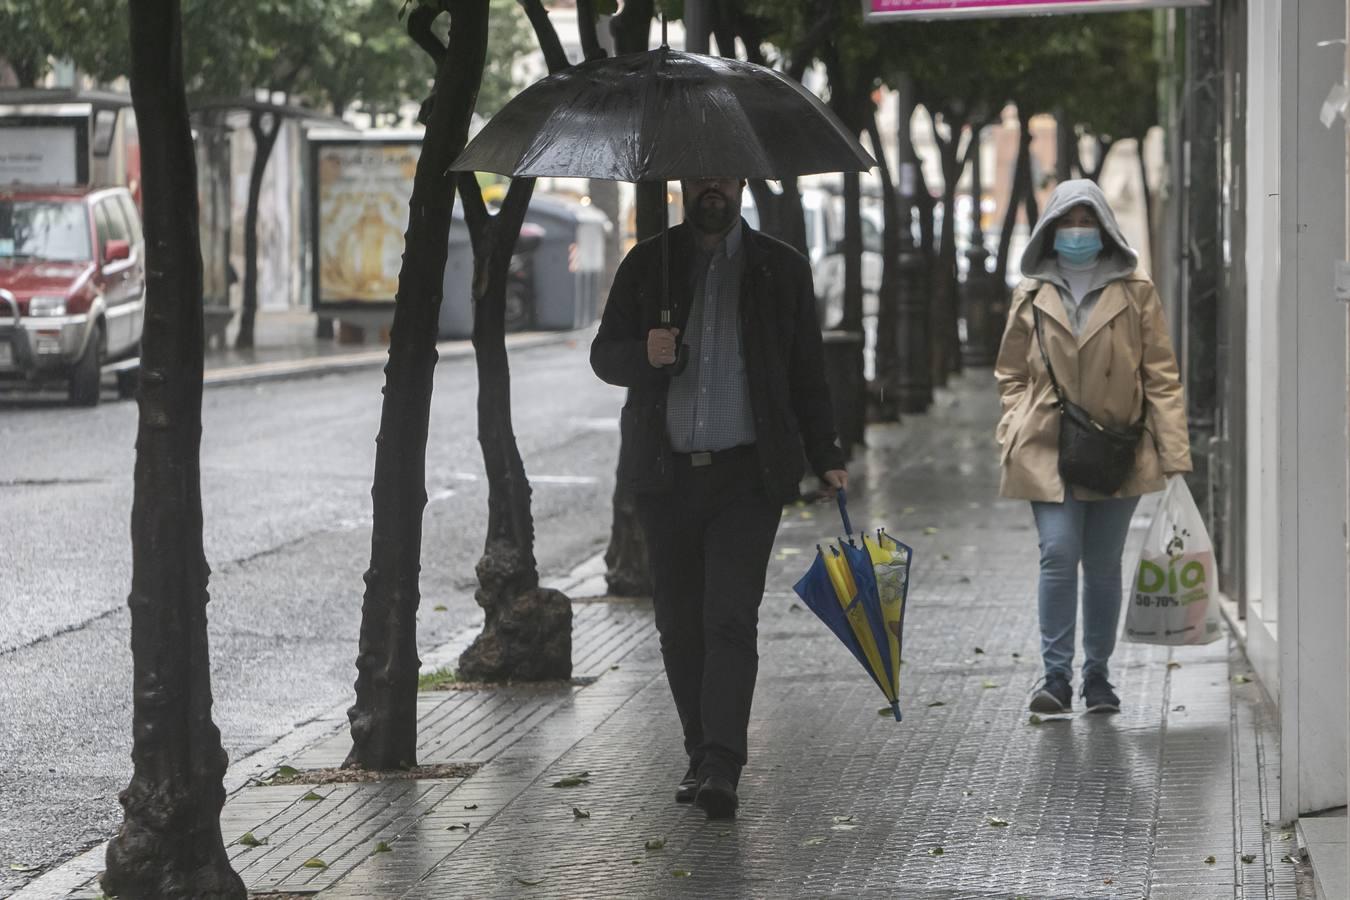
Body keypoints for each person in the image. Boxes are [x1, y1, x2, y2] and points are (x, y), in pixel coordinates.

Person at [590, 177, 847, 819]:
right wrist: (643, 353)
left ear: (739, 183)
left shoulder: (779, 268)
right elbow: (604, 355)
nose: (713, 187)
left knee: (729, 617)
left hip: (746, 476)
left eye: (724, 174)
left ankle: (721, 766)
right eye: (700, 175)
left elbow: (807, 371)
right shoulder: (649, 262)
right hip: (665, 474)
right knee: (678, 625)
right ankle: (700, 750)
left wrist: (828, 456)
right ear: (683, 184)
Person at [994, 179, 1191, 716]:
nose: (1077, 232)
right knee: (1058, 554)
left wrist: (1173, 454)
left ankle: (1097, 678)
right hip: (1046, 445)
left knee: (1102, 565)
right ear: (1051, 229)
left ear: (1102, 228)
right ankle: (1054, 677)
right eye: (1067, 221)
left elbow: (1161, 376)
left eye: (1086, 221)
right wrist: (1015, 422)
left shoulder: (1135, 290)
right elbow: (1010, 372)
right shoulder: (1032, 292)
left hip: (1116, 446)